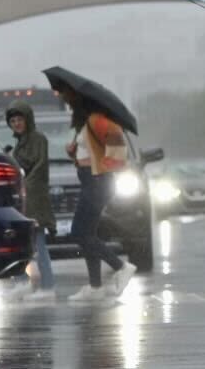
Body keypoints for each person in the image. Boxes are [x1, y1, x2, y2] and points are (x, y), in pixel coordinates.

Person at [59, 86, 137, 302]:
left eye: (71, 101)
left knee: (79, 233)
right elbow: (90, 154)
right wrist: (74, 154)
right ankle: (95, 286)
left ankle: (121, 267)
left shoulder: (100, 120)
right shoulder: (85, 123)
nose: (69, 105)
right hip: (91, 180)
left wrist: (93, 164)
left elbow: (119, 154)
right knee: (88, 235)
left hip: (98, 182)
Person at [5, 100, 56, 300]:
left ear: (28, 120)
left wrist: (24, 183)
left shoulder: (38, 139)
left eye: (20, 119)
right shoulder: (19, 145)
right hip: (22, 200)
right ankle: (22, 282)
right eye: (13, 120)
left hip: (35, 200)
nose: (17, 123)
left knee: (38, 243)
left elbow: (39, 167)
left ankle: (47, 287)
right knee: (20, 244)